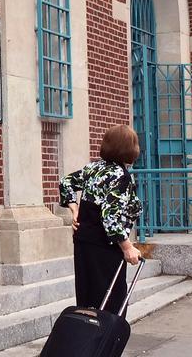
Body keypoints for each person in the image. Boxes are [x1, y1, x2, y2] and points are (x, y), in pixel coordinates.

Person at [59, 124, 143, 318]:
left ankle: (87, 341)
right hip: (105, 245)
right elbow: (110, 216)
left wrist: (75, 209)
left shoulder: (93, 168)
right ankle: (104, 343)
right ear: (131, 150)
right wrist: (127, 247)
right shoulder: (121, 177)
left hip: (83, 242)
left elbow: (66, 182)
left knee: (88, 299)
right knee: (111, 301)